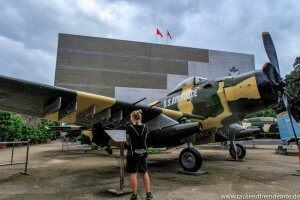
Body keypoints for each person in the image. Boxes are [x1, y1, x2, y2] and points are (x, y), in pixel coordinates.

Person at [126, 109, 153, 200]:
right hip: (143, 153)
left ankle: (134, 195)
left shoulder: (129, 128)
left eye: (131, 117)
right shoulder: (145, 127)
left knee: (133, 173)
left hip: (133, 154)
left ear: (133, 118)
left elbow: (127, 142)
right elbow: (145, 139)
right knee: (145, 172)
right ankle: (148, 194)